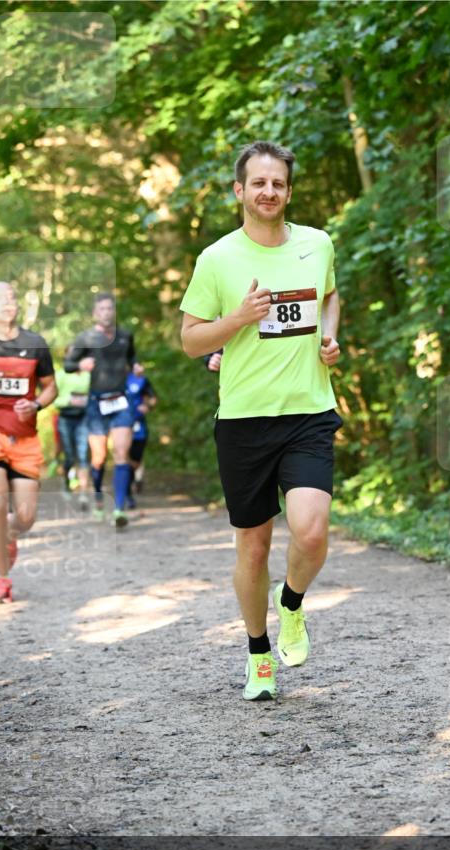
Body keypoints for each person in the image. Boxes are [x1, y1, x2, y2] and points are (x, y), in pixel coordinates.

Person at [180, 140, 341, 702]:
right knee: (253, 547)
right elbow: (190, 338)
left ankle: (291, 604)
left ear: (288, 191)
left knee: (312, 530)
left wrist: (330, 334)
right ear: (239, 191)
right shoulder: (217, 259)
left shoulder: (317, 244)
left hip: (308, 411)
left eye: (278, 183)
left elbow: (329, 296)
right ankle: (258, 654)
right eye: (258, 183)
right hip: (245, 420)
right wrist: (239, 318)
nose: (268, 191)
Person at [0, 282, 56, 604]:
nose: (9, 304)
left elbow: (50, 388)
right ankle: (2, 579)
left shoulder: (35, 344)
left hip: (25, 436)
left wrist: (36, 405)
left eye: (13, 298)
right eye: (0, 300)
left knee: (26, 516)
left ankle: (12, 533)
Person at [64, 293, 136, 528]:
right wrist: (80, 365)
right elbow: (67, 365)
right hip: (97, 402)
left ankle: (118, 508)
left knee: (122, 454)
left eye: (110, 308)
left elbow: (133, 358)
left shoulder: (125, 335)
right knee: (98, 458)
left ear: (114, 312)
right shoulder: (85, 337)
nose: (106, 312)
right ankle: (97, 495)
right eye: (102, 309)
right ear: (95, 313)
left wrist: (137, 366)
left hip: (121, 400)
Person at [53, 356, 91, 508]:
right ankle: (66, 481)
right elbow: (53, 398)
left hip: (83, 418)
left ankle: (83, 494)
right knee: (69, 455)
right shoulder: (61, 374)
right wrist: (68, 401)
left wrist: (86, 401)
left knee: (82, 455)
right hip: (65, 417)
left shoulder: (89, 374)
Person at [124, 364, 157, 506]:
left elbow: (153, 398)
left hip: (139, 425)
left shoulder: (143, 381)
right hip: (122, 424)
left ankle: (131, 481)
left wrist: (148, 406)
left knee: (136, 460)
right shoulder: (120, 378)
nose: (140, 367)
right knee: (123, 455)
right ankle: (127, 492)